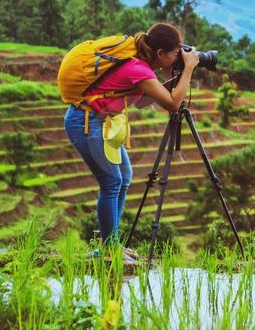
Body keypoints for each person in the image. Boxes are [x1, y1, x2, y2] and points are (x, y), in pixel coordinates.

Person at [63, 22, 199, 261]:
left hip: (103, 122)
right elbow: (172, 104)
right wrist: (188, 70)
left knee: (123, 177)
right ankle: (109, 248)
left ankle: (112, 244)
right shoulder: (138, 68)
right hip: (85, 121)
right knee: (111, 181)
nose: (180, 57)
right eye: (176, 53)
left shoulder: (140, 65)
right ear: (160, 53)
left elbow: (143, 101)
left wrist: (170, 82)